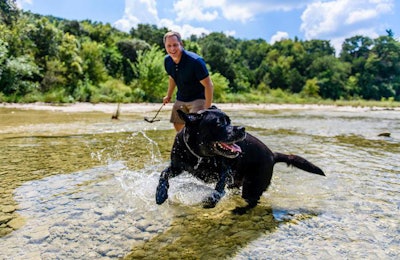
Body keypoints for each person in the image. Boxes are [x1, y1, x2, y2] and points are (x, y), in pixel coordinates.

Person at [162, 31, 214, 132]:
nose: (172, 49)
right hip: (181, 98)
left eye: (175, 45)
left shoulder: (195, 61)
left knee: (194, 128)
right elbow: (172, 78)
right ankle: (186, 147)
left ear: (181, 44)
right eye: (169, 46)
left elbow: (209, 85)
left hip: (198, 98)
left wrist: (207, 109)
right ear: (165, 46)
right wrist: (168, 95)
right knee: (178, 125)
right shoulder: (167, 61)